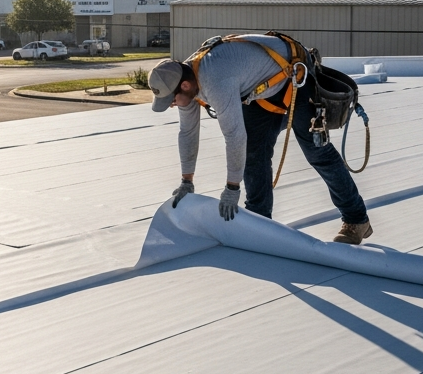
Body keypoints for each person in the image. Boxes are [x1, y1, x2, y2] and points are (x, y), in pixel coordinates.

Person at [148, 33, 373, 244]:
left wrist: (232, 188)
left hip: (295, 75)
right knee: (254, 153)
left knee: (317, 152)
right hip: (263, 87)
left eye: (172, 100)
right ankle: (259, 223)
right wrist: (186, 181)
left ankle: (356, 219)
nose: (172, 105)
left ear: (185, 86)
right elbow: (187, 132)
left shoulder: (215, 80)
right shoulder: (185, 79)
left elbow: (234, 136)